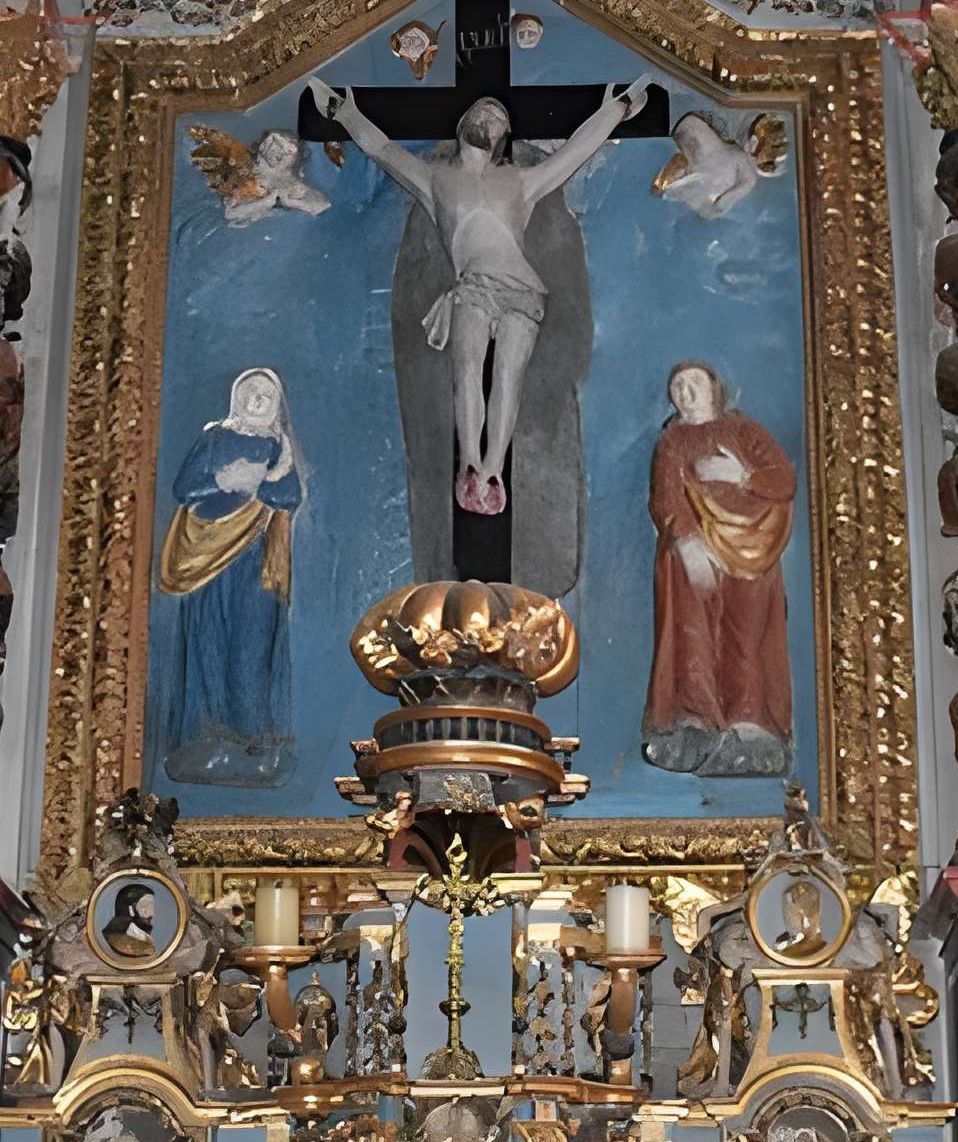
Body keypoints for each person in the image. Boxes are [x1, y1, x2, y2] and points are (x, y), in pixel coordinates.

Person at [310, 74, 647, 517]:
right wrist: (343, 111)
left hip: (524, 292)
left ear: (504, 137)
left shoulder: (522, 181)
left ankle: (493, 468)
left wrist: (616, 111)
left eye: (496, 117)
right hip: (472, 287)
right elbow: (381, 148)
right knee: (466, 370)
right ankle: (470, 461)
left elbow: (576, 152)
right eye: (480, 112)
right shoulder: (435, 179)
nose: (486, 118)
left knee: (508, 377)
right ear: (462, 123)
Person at [644, 362, 797, 775]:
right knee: (692, 633)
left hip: (751, 552)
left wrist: (742, 475)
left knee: (745, 634)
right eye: (677, 386)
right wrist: (690, 543)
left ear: (715, 389)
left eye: (695, 383)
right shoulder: (673, 442)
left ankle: (749, 721)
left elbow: (782, 479)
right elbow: (666, 498)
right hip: (695, 551)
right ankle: (694, 716)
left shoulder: (744, 432)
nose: (686, 393)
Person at [155, 368, 303, 784]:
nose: (258, 400)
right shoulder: (215, 437)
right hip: (209, 560)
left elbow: (289, 496)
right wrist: (225, 480)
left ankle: (253, 736)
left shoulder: (279, 446)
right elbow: (185, 488)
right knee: (209, 644)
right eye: (251, 392)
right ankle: (203, 736)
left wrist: (265, 479)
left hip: (256, 562)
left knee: (251, 647)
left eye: (267, 394)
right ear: (238, 396)